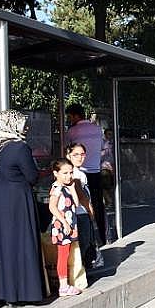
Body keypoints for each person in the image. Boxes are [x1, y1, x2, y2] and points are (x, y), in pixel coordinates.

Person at [0, 110, 47, 306]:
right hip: (17, 202)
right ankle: (20, 293)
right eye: (23, 124)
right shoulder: (19, 147)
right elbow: (32, 176)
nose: (26, 128)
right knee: (19, 244)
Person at [65, 104, 107, 244]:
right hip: (96, 172)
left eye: (70, 116)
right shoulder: (97, 129)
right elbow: (102, 148)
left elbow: (66, 149)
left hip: (80, 173)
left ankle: (88, 239)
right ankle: (103, 236)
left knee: (83, 207)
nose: (69, 119)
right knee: (98, 205)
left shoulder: (73, 131)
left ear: (76, 115)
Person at [47, 158, 82, 297]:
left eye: (70, 172)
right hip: (62, 226)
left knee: (66, 255)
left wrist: (73, 189)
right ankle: (63, 285)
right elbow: (52, 207)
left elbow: (77, 204)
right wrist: (64, 222)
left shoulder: (67, 187)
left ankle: (65, 283)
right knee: (63, 255)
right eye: (65, 173)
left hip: (69, 224)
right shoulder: (56, 188)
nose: (69, 176)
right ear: (56, 173)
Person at [66, 143, 100, 270]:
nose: (79, 157)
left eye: (82, 154)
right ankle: (83, 270)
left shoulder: (80, 172)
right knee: (84, 243)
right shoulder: (75, 174)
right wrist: (90, 210)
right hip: (81, 213)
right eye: (76, 154)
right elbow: (81, 196)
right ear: (68, 155)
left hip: (78, 213)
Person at [100, 128, 115, 208]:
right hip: (104, 167)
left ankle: (109, 201)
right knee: (105, 185)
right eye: (108, 134)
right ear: (105, 134)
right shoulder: (103, 143)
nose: (110, 136)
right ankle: (109, 201)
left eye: (111, 134)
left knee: (110, 185)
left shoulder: (112, 143)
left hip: (111, 166)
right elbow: (101, 156)